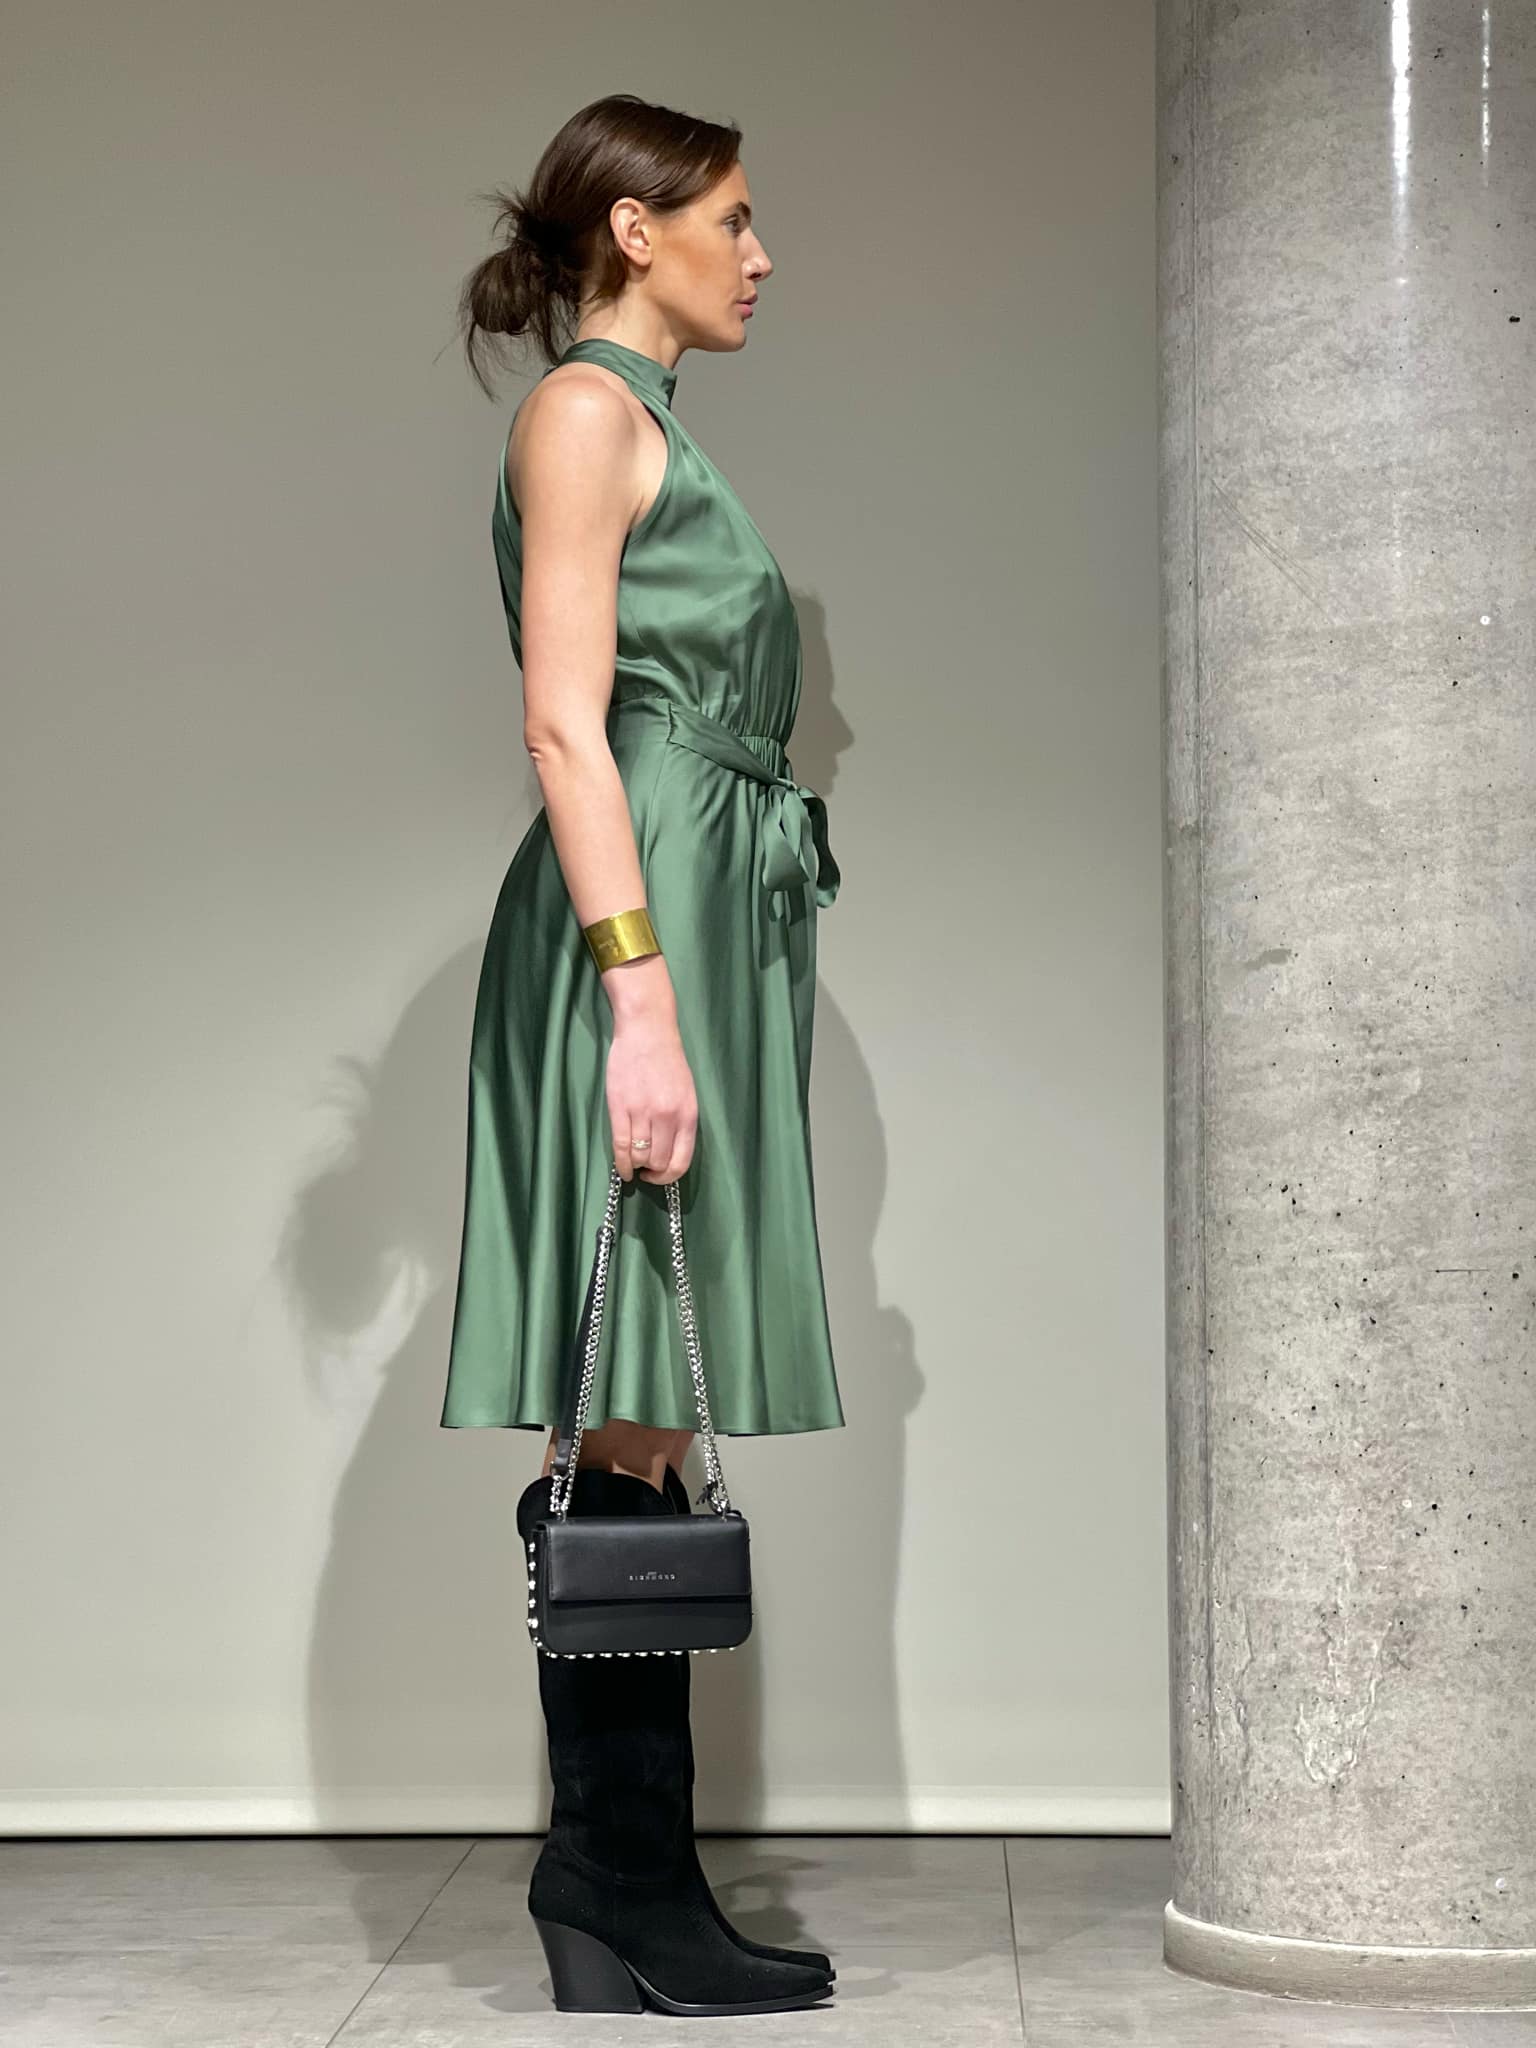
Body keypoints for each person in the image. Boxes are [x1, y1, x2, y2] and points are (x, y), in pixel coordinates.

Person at [443, 93, 845, 2016]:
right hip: (643, 926)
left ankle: (619, 1883)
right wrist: (642, 997)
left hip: (695, 916)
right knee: (626, 1402)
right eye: (735, 219)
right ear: (634, 228)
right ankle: (618, 1882)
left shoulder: (652, 424)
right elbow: (563, 722)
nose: (761, 254)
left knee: (643, 1410)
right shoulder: (587, 415)